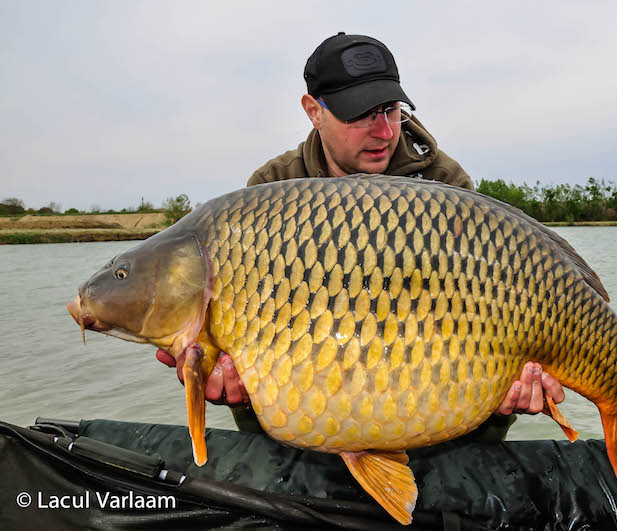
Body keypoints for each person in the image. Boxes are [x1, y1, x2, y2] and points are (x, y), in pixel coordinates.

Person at [157, 32, 566, 439]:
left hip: (430, 403)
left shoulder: (443, 183)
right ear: (313, 111)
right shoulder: (272, 189)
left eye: (390, 110)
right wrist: (238, 388)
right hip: (315, 410)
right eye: (360, 114)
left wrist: (500, 400)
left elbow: (491, 318)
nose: (385, 132)